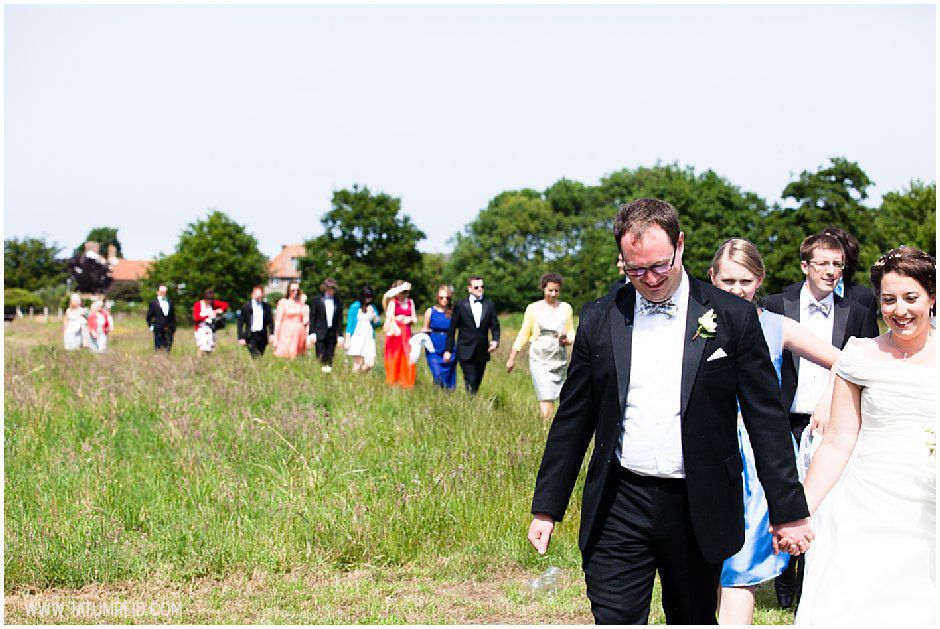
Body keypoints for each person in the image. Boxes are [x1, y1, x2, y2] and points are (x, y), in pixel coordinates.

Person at [527, 198, 812, 625]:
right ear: (621, 261)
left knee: (692, 616)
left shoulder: (732, 317)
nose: (651, 279)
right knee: (615, 615)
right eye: (636, 270)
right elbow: (573, 418)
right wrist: (547, 505)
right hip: (619, 500)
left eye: (660, 265)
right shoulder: (600, 317)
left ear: (680, 245)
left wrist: (787, 511)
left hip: (698, 503)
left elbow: (765, 420)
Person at [796, 247, 936, 625]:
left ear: (932, 297)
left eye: (911, 298)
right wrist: (800, 511)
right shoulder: (859, 355)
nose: (900, 310)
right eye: (889, 300)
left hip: (929, 507)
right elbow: (838, 442)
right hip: (866, 503)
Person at [708, 238, 841, 625]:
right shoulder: (694, 325)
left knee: (739, 568)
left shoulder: (776, 326)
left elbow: (844, 362)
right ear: (712, 277)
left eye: (745, 281)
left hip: (754, 457)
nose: (736, 290)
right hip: (703, 451)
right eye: (727, 281)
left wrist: (827, 398)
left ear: (760, 280)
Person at [763, 232, 880, 609]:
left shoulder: (858, 311)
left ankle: (813, 582)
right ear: (805, 266)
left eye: (838, 264)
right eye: (823, 264)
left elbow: (865, 368)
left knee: (822, 502)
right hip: (783, 418)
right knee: (783, 498)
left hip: (834, 426)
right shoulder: (776, 304)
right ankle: (784, 581)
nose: (831, 272)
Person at [506, 273, 575, 420]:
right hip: (539, 356)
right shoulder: (533, 309)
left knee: (558, 393)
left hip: (558, 356)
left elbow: (571, 331)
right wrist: (512, 357)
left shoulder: (566, 308)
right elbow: (524, 333)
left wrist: (567, 340)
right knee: (545, 394)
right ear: (543, 289)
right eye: (550, 290)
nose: (553, 294)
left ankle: (555, 423)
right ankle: (546, 426)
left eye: (556, 290)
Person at [443, 276, 500, 394]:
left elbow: (495, 325)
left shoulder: (489, 304)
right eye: (476, 287)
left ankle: (472, 400)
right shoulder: (460, 305)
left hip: (482, 350)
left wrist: (495, 340)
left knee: (477, 380)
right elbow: (452, 329)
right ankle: (471, 402)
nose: (480, 289)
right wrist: (448, 349)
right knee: (470, 379)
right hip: (465, 349)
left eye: (482, 287)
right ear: (469, 289)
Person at [382, 280, 417, 388]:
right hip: (395, 334)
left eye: (405, 292)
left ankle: (407, 383)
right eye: (402, 292)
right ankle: (392, 382)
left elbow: (414, 319)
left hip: (406, 334)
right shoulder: (392, 302)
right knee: (394, 359)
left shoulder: (410, 302)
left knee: (407, 358)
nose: (403, 294)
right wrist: (397, 319)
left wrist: (408, 319)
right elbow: (385, 298)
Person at [421, 285, 457, 389]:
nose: (444, 300)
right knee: (437, 374)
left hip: (449, 347)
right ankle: (438, 391)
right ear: (437, 297)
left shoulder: (453, 312)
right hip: (434, 347)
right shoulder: (430, 311)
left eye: (447, 298)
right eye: (441, 297)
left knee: (449, 376)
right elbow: (425, 328)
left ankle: (446, 397)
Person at [309, 278, 344, 373]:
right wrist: (312, 333)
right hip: (319, 332)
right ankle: (320, 372)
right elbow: (312, 317)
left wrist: (340, 335)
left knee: (330, 355)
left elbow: (340, 319)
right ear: (324, 288)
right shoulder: (316, 300)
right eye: (328, 288)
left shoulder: (338, 302)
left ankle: (328, 373)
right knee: (320, 355)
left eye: (332, 289)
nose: (330, 291)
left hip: (332, 333)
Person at [344, 286, 382, 374]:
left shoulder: (372, 307)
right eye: (366, 297)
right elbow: (350, 325)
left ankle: (361, 375)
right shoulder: (355, 307)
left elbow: (377, 324)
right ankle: (354, 381)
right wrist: (347, 340)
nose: (368, 299)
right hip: (357, 337)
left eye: (370, 297)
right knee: (358, 364)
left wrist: (373, 314)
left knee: (370, 363)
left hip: (369, 338)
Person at [273, 281, 308, 359]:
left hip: (299, 331)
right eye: (293, 290)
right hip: (286, 332)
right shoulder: (283, 302)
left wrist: (303, 303)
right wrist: (276, 337)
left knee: (298, 356)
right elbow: (278, 320)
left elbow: (306, 320)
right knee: (286, 354)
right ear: (288, 291)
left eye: (297, 290)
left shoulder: (301, 303)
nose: (295, 292)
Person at [237, 286, 275, 357]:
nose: (258, 298)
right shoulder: (246, 307)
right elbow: (240, 323)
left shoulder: (266, 307)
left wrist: (272, 334)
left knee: (260, 355)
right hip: (251, 335)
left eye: (260, 296)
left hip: (262, 335)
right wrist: (240, 337)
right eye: (256, 296)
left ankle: (258, 367)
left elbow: (270, 321)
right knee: (255, 355)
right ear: (252, 295)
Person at [192, 289, 229, 355]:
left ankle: (207, 361)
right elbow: (196, 317)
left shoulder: (213, 303)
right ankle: (198, 361)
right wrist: (207, 316)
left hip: (211, 329)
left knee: (210, 347)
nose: (209, 302)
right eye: (208, 300)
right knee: (202, 347)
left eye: (211, 300)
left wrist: (219, 310)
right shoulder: (198, 304)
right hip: (201, 329)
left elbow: (225, 305)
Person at [146, 284, 176, 351]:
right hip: (158, 328)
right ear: (158, 292)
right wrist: (151, 326)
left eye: (165, 292)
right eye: (162, 292)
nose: (163, 293)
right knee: (158, 347)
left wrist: (173, 326)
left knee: (168, 346)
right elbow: (149, 316)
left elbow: (173, 315)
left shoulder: (170, 302)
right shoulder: (153, 303)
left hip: (169, 328)